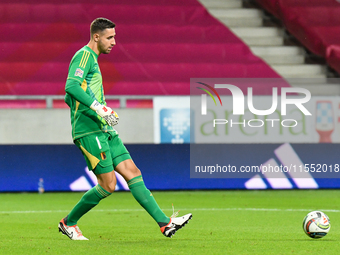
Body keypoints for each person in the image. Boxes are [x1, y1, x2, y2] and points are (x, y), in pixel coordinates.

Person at [58, 17, 192, 240]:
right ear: (96, 36)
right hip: (89, 131)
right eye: (110, 37)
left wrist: (101, 110)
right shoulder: (84, 55)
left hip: (104, 129)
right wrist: (98, 108)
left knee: (133, 172)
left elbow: (69, 95)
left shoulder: (93, 60)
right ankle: (68, 223)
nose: (113, 42)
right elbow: (70, 86)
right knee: (108, 185)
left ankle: (165, 224)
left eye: (114, 37)